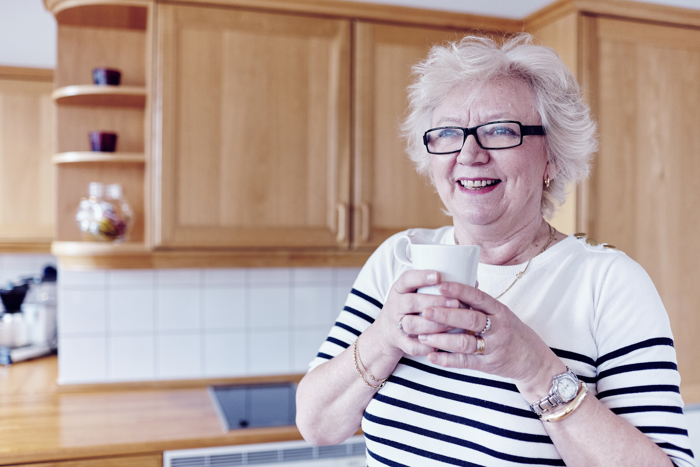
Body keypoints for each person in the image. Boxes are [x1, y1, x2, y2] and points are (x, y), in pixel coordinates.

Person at [295, 34, 696, 467]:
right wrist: (385, 337)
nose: (469, 153)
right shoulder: (399, 258)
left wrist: (535, 368)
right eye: (449, 133)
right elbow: (317, 426)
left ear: (552, 156)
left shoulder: (609, 285)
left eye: (500, 131)